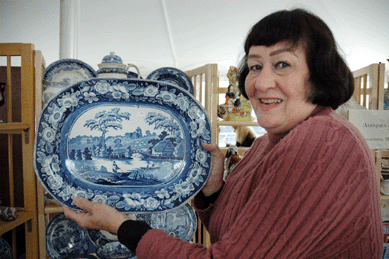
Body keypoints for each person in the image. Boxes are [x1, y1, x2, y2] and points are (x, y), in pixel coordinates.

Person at [64, 8, 384, 258]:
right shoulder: (265, 145)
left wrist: (121, 227)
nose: (260, 83)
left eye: (282, 65)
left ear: (318, 74)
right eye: (255, 66)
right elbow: (231, 235)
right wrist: (214, 190)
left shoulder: (321, 143)